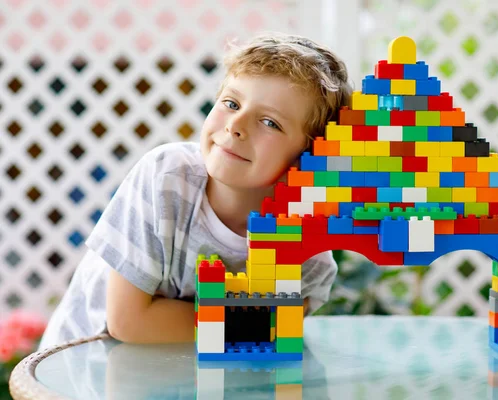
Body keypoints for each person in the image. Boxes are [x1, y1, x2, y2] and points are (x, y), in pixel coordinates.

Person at [38, 33, 353, 349]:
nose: (235, 125)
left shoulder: (308, 243)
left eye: (270, 122)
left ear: (309, 157)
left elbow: (279, 330)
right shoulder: (166, 177)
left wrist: (167, 312)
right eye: (231, 103)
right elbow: (127, 322)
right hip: (78, 370)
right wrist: (249, 321)